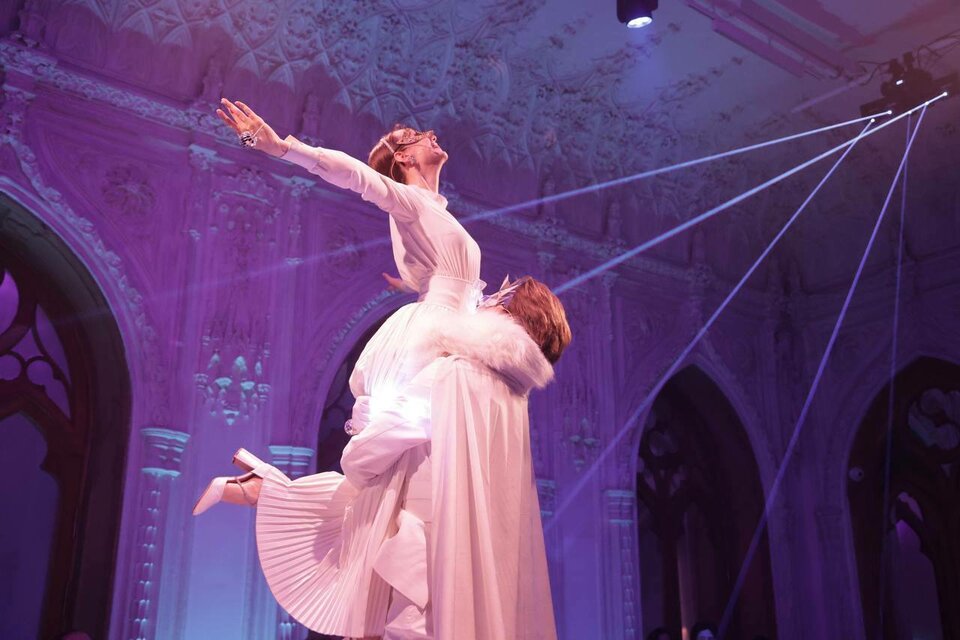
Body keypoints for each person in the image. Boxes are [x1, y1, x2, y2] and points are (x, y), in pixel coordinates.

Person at [195, 276, 570, 639]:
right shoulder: (513, 397)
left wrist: (360, 440)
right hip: (477, 556)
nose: (481, 304)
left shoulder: (452, 373)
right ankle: (265, 489)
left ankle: (266, 490)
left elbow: (373, 448)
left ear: (505, 315)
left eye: (494, 298)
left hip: (426, 546)